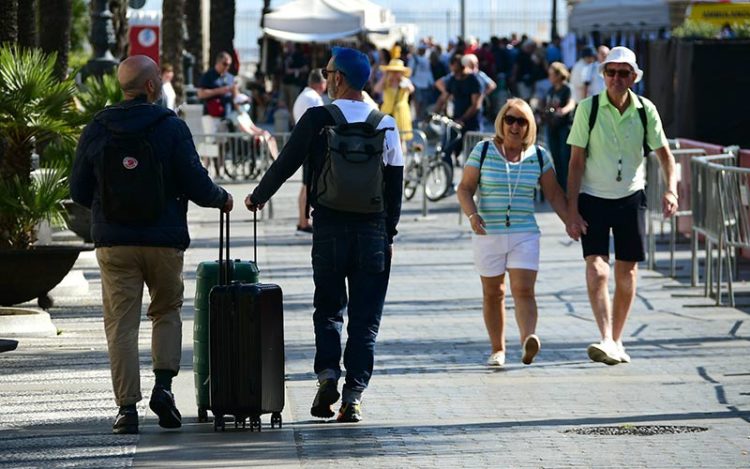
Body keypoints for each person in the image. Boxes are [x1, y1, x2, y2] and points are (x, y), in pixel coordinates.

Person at [69, 55, 233, 435]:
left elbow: (78, 190)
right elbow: (195, 182)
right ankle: (163, 388)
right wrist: (222, 198)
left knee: (121, 326)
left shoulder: (98, 127)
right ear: (150, 87)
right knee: (166, 312)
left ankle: (127, 409)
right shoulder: (170, 127)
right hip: (164, 241)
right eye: (157, 76)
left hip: (114, 244)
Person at [244, 47, 403, 423]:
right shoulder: (387, 123)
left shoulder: (318, 118)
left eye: (328, 72)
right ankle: (354, 397)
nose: (325, 77)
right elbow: (394, 187)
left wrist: (257, 197)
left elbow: (285, 162)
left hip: (329, 228)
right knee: (365, 320)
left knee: (329, 309)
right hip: (372, 233)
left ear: (339, 79)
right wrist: (389, 234)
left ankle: (328, 374)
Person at [566, 46, 678, 365]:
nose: (616, 78)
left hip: (631, 198)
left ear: (634, 78)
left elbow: (666, 156)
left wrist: (671, 190)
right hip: (593, 197)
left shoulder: (645, 110)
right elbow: (575, 163)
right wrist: (571, 211)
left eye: (623, 73)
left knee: (627, 270)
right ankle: (605, 337)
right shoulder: (587, 109)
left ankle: (617, 339)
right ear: (603, 75)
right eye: (610, 72)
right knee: (598, 270)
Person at [456, 98, 568, 367]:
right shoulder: (483, 150)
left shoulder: (539, 156)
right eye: (510, 119)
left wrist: (572, 222)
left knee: (523, 289)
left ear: (529, 126)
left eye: (522, 121)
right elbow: (464, 188)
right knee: (493, 292)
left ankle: (528, 339)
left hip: (524, 233)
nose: (515, 126)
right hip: (487, 232)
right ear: (501, 122)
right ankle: (498, 349)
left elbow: (554, 195)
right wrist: (472, 214)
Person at [292, 69, 327, 234]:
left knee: (306, 184)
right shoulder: (314, 98)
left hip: (303, 143)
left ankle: (303, 219)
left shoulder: (302, 96)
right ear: (321, 83)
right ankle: (304, 221)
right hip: (312, 145)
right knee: (308, 184)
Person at [197, 51, 239, 177]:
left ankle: (220, 170)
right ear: (218, 62)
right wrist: (220, 90)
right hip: (210, 114)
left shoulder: (230, 77)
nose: (227, 67)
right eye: (225, 64)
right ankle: (206, 171)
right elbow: (200, 94)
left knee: (221, 144)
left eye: (229, 65)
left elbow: (235, 96)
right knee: (210, 142)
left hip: (225, 115)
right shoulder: (209, 75)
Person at [543, 61, 576, 191]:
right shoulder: (551, 90)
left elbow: (571, 103)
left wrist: (564, 110)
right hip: (552, 126)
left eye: (551, 74)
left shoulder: (567, 88)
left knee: (565, 158)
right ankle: (561, 188)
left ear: (558, 75)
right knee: (556, 158)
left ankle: (569, 188)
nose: (549, 77)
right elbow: (547, 105)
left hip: (564, 127)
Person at [374, 58, 414, 145]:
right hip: (387, 111)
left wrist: (403, 81)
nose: (395, 73)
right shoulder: (386, 82)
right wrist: (384, 77)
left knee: (400, 139)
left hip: (401, 113)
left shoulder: (405, 81)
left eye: (397, 71)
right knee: (385, 138)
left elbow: (411, 89)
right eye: (392, 71)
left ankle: (401, 157)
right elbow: (377, 89)